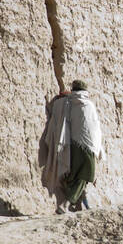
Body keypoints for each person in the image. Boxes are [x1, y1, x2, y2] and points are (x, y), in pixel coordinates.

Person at [38, 79, 103, 212]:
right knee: (86, 175)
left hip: (70, 146)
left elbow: (54, 110)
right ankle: (66, 204)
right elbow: (94, 128)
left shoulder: (66, 103)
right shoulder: (88, 105)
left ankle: (79, 206)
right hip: (87, 146)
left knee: (73, 176)